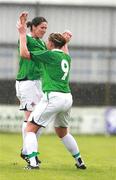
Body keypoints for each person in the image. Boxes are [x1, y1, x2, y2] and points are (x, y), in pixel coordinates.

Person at [17, 13, 86, 170]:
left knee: (30, 128)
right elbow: (64, 50)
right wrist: (65, 42)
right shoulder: (67, 58)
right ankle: (80, 161)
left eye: (48, 40)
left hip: (53, 97)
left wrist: (22, 33)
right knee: (63, 132)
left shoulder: (49, 55)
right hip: (68, 98)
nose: (45, 41)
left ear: (51, 44)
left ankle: (33, 162)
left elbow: (24, 54)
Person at [16, 12, 48, 164]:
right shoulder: (26, 38)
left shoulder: (41, 42)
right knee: (30, 120)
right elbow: (23, 54)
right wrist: (22, 27)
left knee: (38, 121)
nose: (44, 30)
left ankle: (27, 151)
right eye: (42, 27)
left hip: (38, 83)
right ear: (33, 27)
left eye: (46, 28)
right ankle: (29, 154)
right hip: (27, 81)